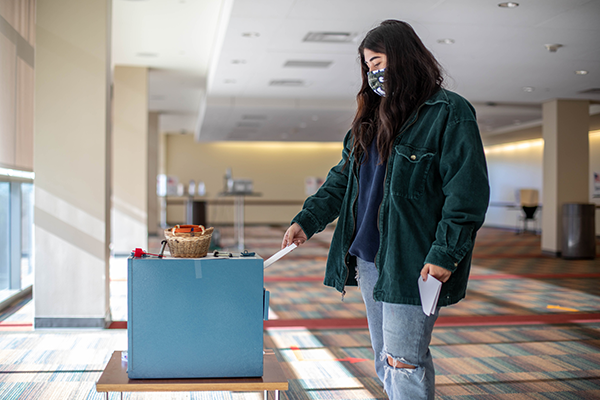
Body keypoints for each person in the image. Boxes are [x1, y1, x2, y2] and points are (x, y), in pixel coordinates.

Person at [281, 20, 490, 400]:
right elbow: (342, 180)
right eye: (368, 67)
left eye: (378, 62)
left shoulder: (449, 114)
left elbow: (467, 195)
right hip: (369, 260)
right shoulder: (369, 120)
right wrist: (307, 220)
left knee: (404, 361)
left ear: (404, 57)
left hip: (414, 262)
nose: (374, 73)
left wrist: (445, 254)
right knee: (385, 359)